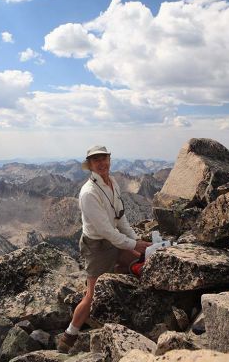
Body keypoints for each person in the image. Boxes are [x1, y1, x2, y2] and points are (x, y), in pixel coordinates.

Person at [57, 145, 152, 353]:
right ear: (90, 165)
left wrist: (137, 240)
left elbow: (121, 218)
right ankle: (68, 338)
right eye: (95, 160)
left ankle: (119, 286)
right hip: (97, 248)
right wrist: (134, 244)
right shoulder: (88, 193)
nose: (101, 163)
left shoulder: (113, 183)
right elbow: (107, 231)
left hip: (114, 241)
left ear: (109, 160)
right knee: (91, 295)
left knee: (142, 261)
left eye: (104, 158)